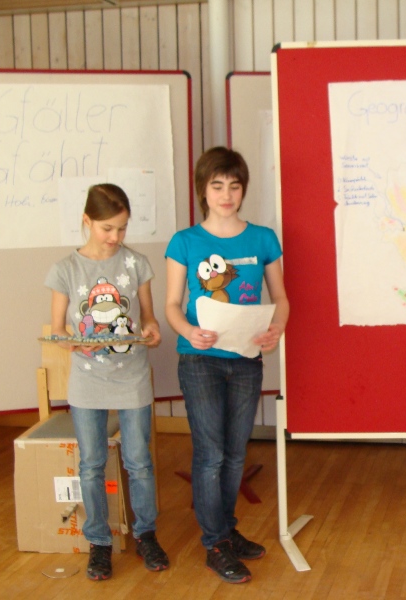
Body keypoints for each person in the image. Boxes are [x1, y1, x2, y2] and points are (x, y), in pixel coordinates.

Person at [164, 146, 289, 584]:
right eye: (217, 185)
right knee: (211, 454)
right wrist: (188, 330)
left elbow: (281, 298)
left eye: (234, 186)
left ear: (243, 190)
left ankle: (226, 529)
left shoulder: (263, 239)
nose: (226, 194)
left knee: (236, 454)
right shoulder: (184, 242)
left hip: (246, 359)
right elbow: (172, 305)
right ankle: (215, 543)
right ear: (203, 189)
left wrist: (276, 329)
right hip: (199, 359)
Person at [45, 184, 169, 580]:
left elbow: (148, 317)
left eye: (122, 228)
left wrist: (151, 329)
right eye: (107, 228)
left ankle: (146, 534)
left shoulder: (136, 264)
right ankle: (99, 541)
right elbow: (57, 327)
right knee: (91, 464)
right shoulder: (66, 269)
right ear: (87, 221)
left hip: (132, 377)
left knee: (139, 462)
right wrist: (70, 341)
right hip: (87, 381)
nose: (116, 237)